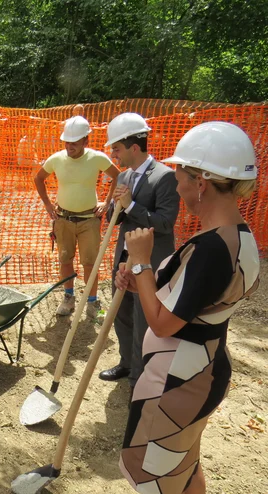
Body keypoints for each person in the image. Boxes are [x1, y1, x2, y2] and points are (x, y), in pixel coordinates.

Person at [115, 121, 260, 494]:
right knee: (184, 465)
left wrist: (142, 262)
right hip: (202, 369)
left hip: (179, 380)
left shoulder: (212, 247)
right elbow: (194, 298)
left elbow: (163, 324)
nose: (176, 186)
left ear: (201, 183)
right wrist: (139, 277)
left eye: (180, 176)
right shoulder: (239, 237)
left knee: (156, 479)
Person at [98, 113, 180, 385]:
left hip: (150, 261)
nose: (114, 154)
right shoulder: (123, 176)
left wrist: (132, 205)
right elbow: (116, 218)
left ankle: (140, 375)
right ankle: (125, 362)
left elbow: (166, 223)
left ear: (134, 147)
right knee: (121, 311)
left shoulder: (165, 177)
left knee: (144, 317)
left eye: (117, 149)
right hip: (124, 255)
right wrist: (115, 208)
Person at [34, 115, 120, 317]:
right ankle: (68, 297)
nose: (69, 146)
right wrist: (47, 204)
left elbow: (118, 176)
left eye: (74, 142)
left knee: (90, 262)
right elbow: (38, 178)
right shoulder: (56, 159)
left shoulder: (97, 158)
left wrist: (107, 202)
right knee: (65, 260)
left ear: (85, 141)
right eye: (66, 142)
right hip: (63, 219)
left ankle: (92, 301)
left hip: (89, 220)